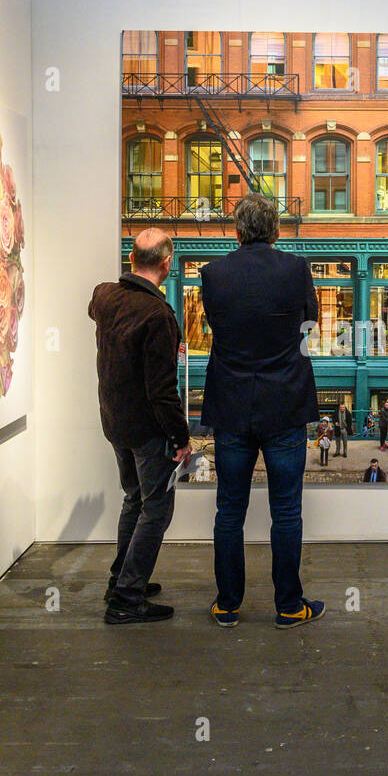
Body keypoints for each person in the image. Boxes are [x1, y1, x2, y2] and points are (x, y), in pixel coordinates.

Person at [200, 193, 325, 630]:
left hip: (232, 405)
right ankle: (289, 606)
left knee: (228, 511)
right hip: (285, 404)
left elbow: (214, 325)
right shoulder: (296, 270)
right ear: (274, 230)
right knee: (286, 510)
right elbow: (311, 321)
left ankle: (227, 605)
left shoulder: (214, 275)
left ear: (236, 230)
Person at [88, 228, 191, 625]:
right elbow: (162, 391)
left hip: (115, 422)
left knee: (133, 499)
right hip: (148, 431)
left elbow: (96, 309)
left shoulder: (105, 295)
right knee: (156, 510)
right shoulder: (158, 316)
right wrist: (181, 439)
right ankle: (128, 597)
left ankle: (121, 580)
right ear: (167, 263)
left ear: (132, 260)